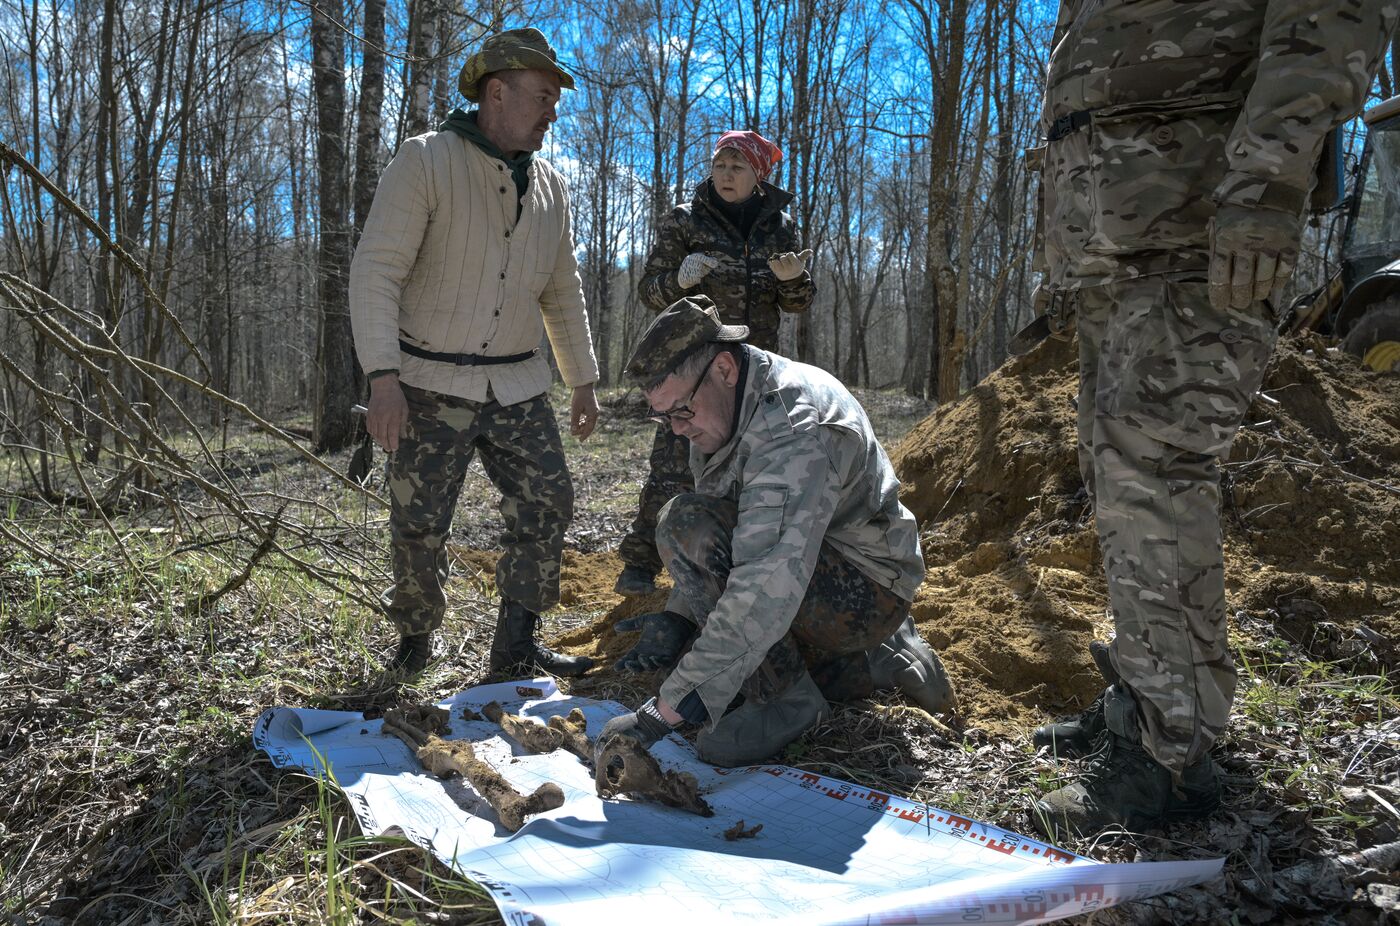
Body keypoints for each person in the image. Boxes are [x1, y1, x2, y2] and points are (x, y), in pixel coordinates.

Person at [1028, 0, 1398, 837]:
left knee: (1152, 476)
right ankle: (1153, 699)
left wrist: (1266, 183)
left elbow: (1330, 16)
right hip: (1119, 243)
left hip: (1198, 227)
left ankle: (1170, 753)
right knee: (1120, 473)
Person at [595, 296, 954, 768]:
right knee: (696, 534)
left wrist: (658, 716)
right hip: (823, 555)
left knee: (684, 525)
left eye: (681, 411)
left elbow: (761, 585)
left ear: (723, 368)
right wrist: (678, 615)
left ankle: (789, 702)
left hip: (867, 589)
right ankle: (878, 658)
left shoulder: (791, 429)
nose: (677, 430)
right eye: (664, 418)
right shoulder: (729, 400)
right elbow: (729, 521)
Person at [349, 27, 601, 679]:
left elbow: (560, 286)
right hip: (427, 382)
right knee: (419, 520)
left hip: (518, 384)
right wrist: (383, 377)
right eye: (543, 97)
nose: (553, 111)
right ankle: (414, 645)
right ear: (497, 91)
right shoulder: (425, 160)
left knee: (547, 500)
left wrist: (582, 380)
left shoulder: (550, 186)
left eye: (555, 101)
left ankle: (515, 646)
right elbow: (376, 270)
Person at [613, 131, 814, 597]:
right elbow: (650, 290)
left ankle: (740, 557)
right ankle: (640, 561)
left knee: (755, 462)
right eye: (721, 165)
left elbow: (798, 304)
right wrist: (679, 280)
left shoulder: (780, 229)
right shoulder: (685, 221)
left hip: (754, 369)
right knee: (673, 462)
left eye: (738, 167)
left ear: (757, 176)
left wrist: (794, 281)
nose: (726, 174)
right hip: (693, 365)